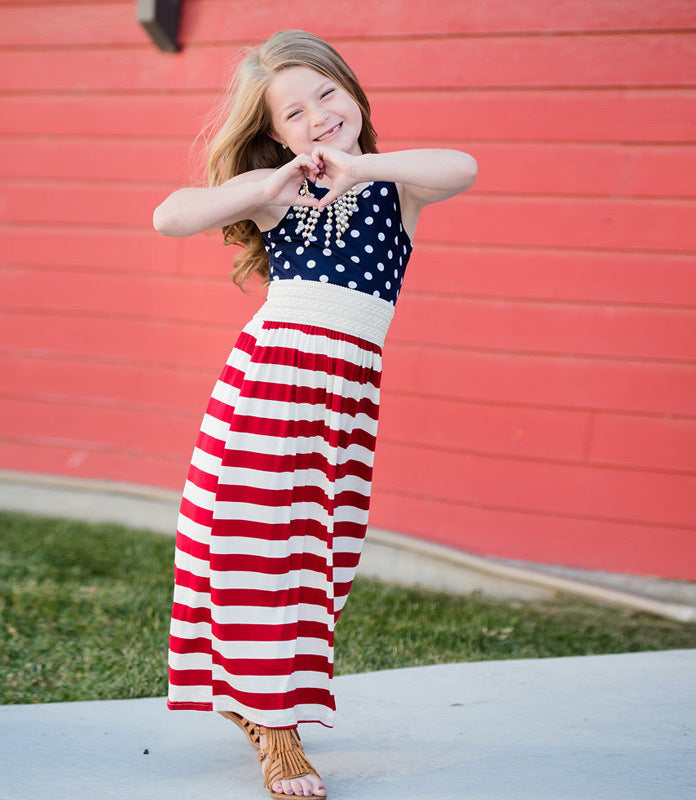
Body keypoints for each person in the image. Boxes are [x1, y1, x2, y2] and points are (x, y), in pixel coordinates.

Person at [153, 29, 477, 799]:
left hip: (342, 398)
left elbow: (462, 167)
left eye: (328, 94)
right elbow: (171, 216)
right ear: (273, 134)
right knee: (256, 548)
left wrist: (359, 165)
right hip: (268, 385)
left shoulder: (396, 187)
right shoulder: (278, 200)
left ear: (354, 94)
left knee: (316, 555)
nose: (319, 116)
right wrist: (263, 188)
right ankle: (278, 726)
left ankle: (255, 695)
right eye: (293, 113)